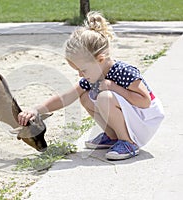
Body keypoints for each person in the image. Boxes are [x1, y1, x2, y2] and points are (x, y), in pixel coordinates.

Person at [18, 11, 164, 160]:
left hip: (146, 119)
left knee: (104, 97)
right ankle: (113, 136)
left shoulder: (124, 72)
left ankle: (128, 142)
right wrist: (36, 110)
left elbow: (145, 101)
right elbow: (66, 97)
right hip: (133, 116)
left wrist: (113, 87)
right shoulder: (94, 75)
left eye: (83, 69)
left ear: (100, 59)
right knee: (85, 96)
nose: (81, 74)